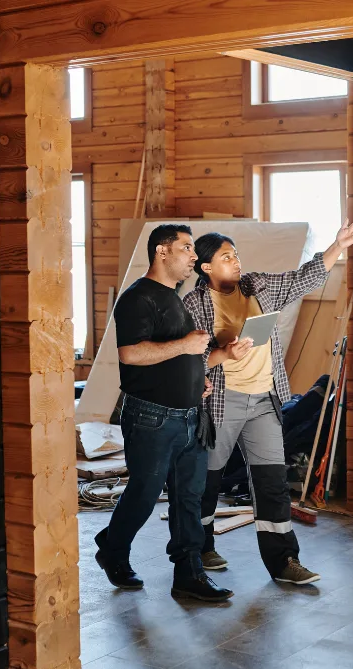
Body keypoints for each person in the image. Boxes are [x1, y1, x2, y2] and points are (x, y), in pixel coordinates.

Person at [183, 217, 353, 585]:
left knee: (271, 482)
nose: (235, 261)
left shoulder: (258, 286)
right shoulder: (195, 303)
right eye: (225, 257)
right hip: (222, 402)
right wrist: (225, 352)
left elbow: (304, 278)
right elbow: (189, 358)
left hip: (264, 400)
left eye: (236, 255)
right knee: (207, 480)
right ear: (206, 268)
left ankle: (284, 561)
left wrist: (338, 245)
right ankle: (199, 548)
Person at [93, 224, 232, 602]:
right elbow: (131, 354)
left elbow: (176, 357)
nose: (194, 256)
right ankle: (113, 549)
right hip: (152, 417)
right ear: (162, 251)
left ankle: (189, 574)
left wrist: (197, 380)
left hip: (190, 415)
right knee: (144, 493)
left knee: (189, 497)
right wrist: (186, 346)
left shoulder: (174, 298)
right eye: (186, 248)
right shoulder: (138, 298)